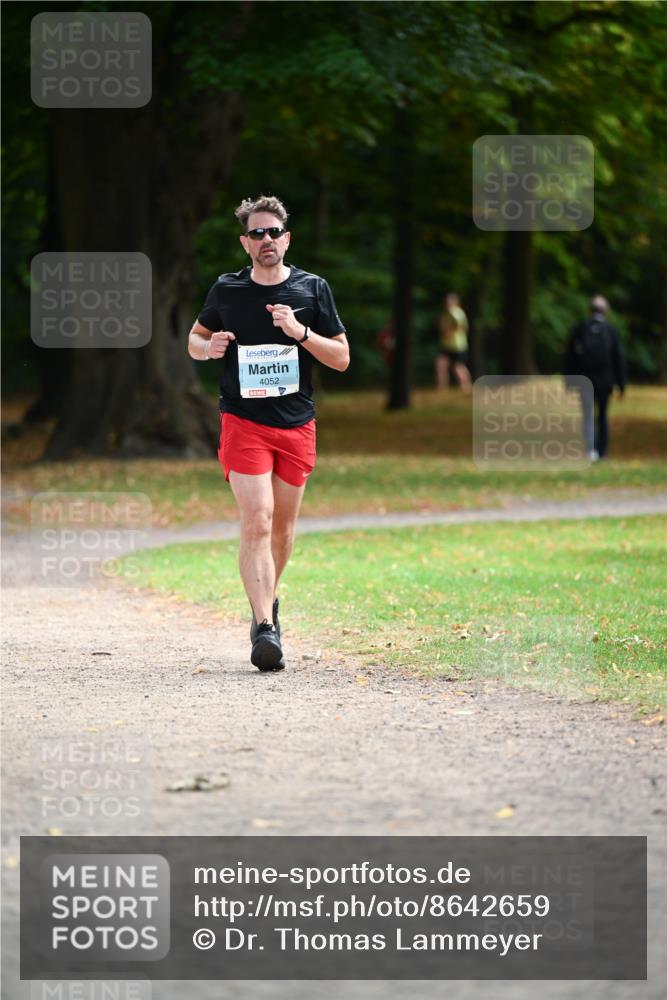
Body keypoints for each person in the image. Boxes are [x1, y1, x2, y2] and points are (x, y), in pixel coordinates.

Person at [188, 195, 349, 672]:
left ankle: (269, 601)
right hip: (243, 421)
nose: (265, 240)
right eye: (256, 234)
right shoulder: (227, 290)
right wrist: (209, 346)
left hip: (296, 424)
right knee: (257, 520)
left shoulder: (312, 289)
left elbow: (340, 358)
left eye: (272, 232)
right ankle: (264, 628)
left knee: (281, 527)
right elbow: (194, 342)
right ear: (245, 242)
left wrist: (299, 332)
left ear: (286, 238)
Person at [563, 295, 626, 461]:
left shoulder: (580, 329)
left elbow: (570, 358)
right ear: (606, 311)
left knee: (588, 415)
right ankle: (602, 451)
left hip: (585, 380)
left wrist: (569, 382)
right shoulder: (611, 331)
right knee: (603, 415)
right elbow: (618, 358)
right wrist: (621, 384)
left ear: (589, 310)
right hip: (605, 381)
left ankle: (591, 450)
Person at [435, 292, 471, 391]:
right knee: (441, 365)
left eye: (450, 301)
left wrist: (448, 334)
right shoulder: (446, 313)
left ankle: (466, 387)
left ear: (455, 302)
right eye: (447, 301)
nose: (447, 303)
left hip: (457, 346)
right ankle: (442, 387)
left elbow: (460, 327)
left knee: (458, 367)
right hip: (447, 345)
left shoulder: (456, 313)